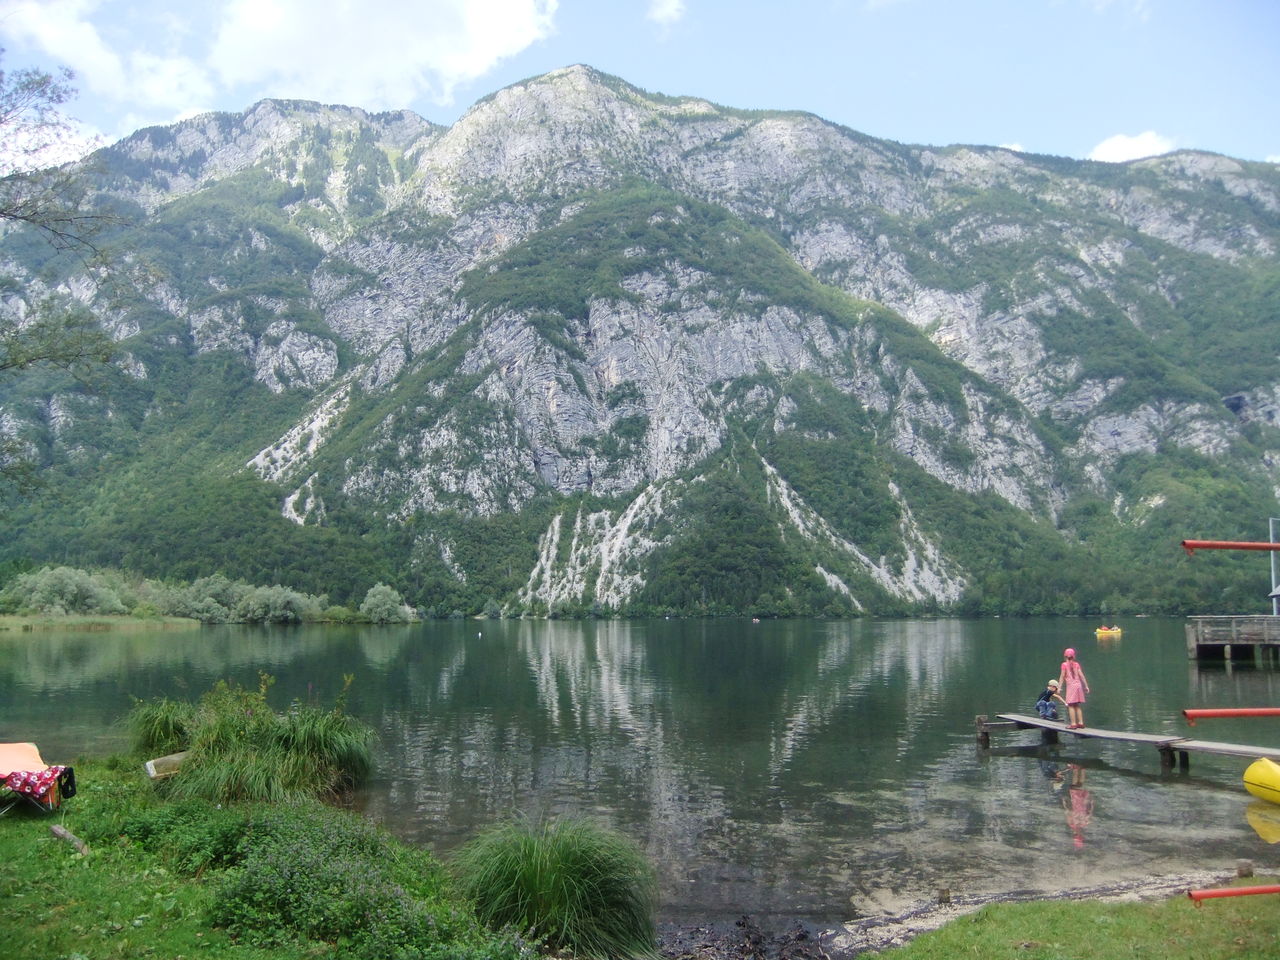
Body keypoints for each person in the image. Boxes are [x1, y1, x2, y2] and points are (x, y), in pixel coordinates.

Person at [1058, 647, 1090, 729]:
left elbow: (1062, 677)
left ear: (1065, 656)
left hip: (1071, 687)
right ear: (1074, 656)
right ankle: (1081, 723)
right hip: (1078, 686)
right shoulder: (1077, 664)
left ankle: (1073, 724)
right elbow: (1082, 676)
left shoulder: (1064, 665)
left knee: (1070, 705)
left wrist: (1059, 687)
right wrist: (1086, 686)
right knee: (1077, 705)